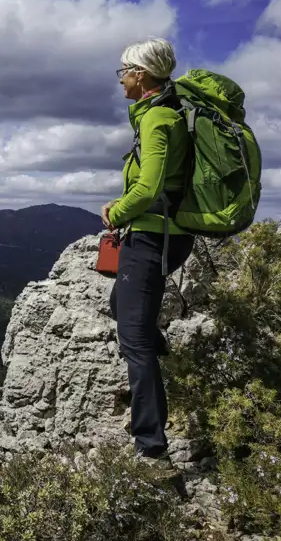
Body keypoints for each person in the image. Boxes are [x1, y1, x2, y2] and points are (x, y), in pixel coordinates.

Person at [101, 38, 195, 472]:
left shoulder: (157, 117)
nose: (120, 77)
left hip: (152, 238)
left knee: (134, 341)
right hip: (163, 236)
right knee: (121, 306)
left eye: (123, 70)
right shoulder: (162, 112)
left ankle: (151, 443)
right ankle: (162, 359)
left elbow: (150, 186)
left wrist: (115, 212)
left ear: (141, 75)